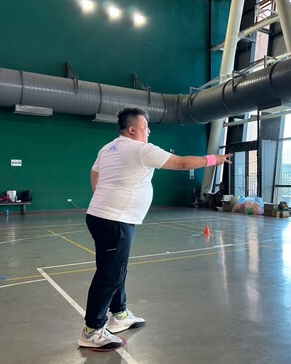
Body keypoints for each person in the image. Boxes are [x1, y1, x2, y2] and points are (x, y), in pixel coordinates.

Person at [78, 107, 232, 350]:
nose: (148, 131)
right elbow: (181, 163)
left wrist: (102, 196)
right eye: (145, 127)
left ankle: (119, 314)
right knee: (109, 274)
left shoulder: (108, 148)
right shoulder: (140, 149)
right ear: (132, 129)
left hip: (102, 216)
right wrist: (214, 159)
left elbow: (94, 172)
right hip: (115, 220)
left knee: (115, 269)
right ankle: (92, 330)